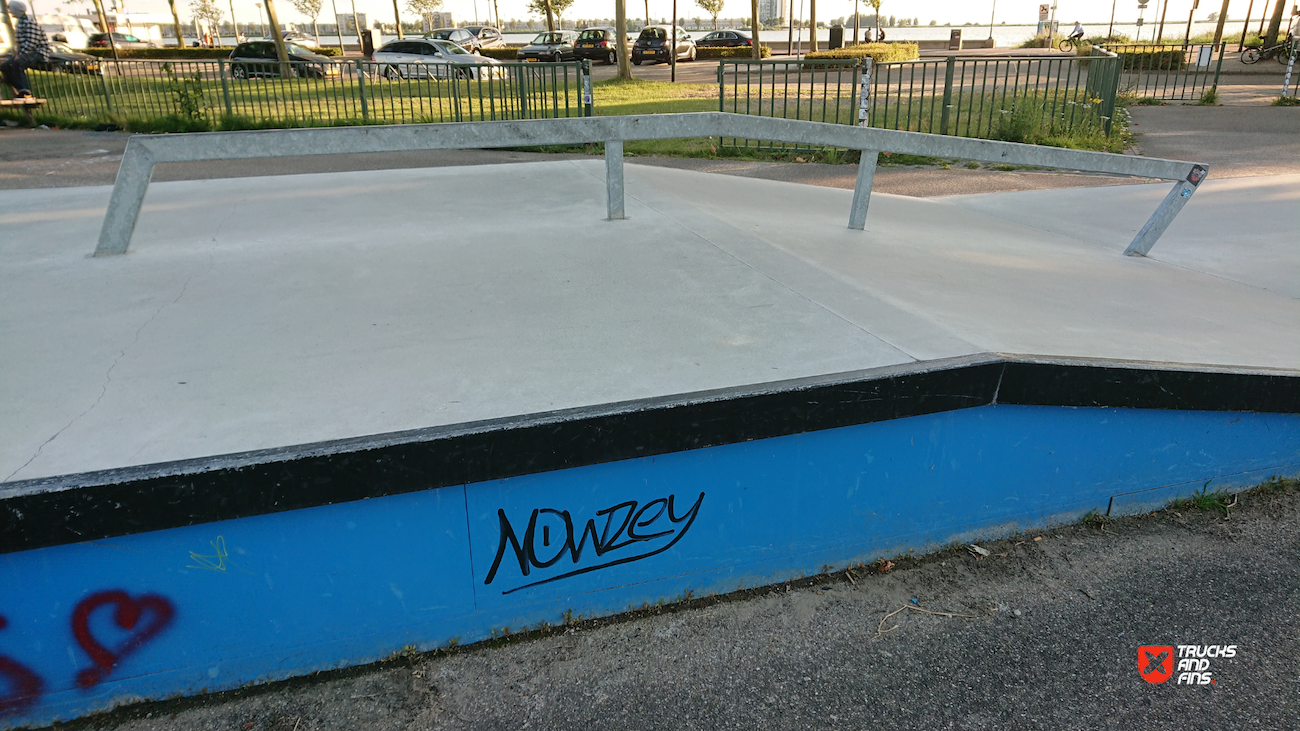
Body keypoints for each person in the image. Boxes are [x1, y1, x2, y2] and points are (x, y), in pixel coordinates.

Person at [1, 1, 50, 99]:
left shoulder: (29, 23)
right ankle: (17, 86)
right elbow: (20, 43)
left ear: (16, 10)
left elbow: (32, 43)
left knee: (18, 63)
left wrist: (20, 54)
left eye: (11, 9)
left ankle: (26, 91)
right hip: (26, 52)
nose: (10, 12)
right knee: (5, 66)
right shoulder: (20, 23)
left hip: (38, 52)